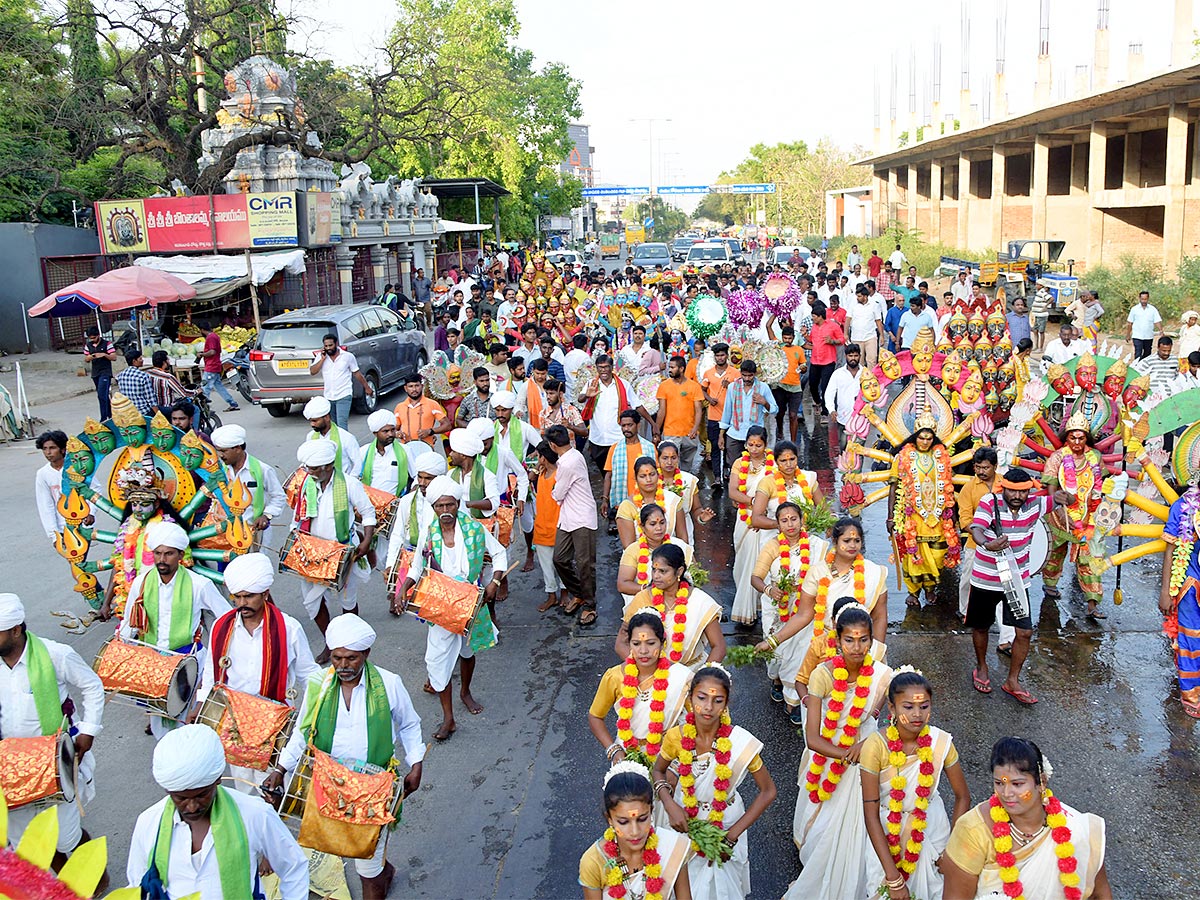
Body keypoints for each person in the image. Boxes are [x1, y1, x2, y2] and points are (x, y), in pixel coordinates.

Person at [264, 615, 424, 899]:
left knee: (367, 864)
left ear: (366, 654)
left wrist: (416, 763)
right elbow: (304, 732)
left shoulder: (389, 684)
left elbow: (409, 723)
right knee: (338, 844)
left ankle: (377, 876)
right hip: (329, 788)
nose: (343, 666)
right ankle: (384, 872)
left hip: (373, 789)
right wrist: (281, 768)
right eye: (337, 658)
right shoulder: (318, 685)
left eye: (351, 658)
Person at [785, 598, 894, 900]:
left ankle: (852, 869)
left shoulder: (881, 676)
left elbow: (889, 720)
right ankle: (820, 860)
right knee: (823, 820)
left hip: (866, 753)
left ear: (872, 641)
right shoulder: (823, 674)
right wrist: (850, 754)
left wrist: (868, 745)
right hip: (830, 753)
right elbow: (813, 739)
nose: (857, 647)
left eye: (863, 640)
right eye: (849, 640)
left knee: (861, 820)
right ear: (837, 640)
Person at [128, 724, 308, 897]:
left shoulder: (255, 814)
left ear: (218, 780)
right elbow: (137, 883)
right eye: (181, 798)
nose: (191, 807)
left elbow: (294, 867)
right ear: (168, 791)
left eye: (201, 795)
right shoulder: (149, 823)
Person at [192, 553, 320, 792]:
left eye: (248, 596)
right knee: (243, 790)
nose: (242, 604)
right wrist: (200, 705)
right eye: (237, 597)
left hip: (276, 726)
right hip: (235, 723)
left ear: (265, 593)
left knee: (271, 793)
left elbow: (308, 675)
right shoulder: (222, 626)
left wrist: (315, 715)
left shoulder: (288, 628)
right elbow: (212, 672)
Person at [0, 593, 106, 880]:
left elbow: (93, 687)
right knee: (27, 841)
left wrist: (88, 731)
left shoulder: (55, 654)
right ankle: (67, 886)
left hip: (58, 761)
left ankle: (96, 874)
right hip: (11, 770)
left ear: (15, 630)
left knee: (65, 838)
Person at [652, 665, 777, 899]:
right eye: (701, 698)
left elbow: (768, 791)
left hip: (727, 819)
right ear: (690, 698)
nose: (708, 707)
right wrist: (670, 805)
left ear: (726, 703)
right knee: (685, 885)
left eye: (717, 700)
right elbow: (658, 770)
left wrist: (732, 835)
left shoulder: (739, 741)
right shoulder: (676, 737)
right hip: (685, 820)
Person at [400, 477, 506, 741]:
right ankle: (448, 718)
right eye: (439, 506)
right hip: (440, 604)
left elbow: (500, 553)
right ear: (434, 507)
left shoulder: (474, 529)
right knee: (437, 661)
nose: (445, 511)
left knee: (467, 651)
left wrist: (494, 581)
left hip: (470, 601)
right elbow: (416, 566)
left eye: (450, 505)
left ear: (458, 504)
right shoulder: (429, 532)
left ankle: (465, 692)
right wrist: (403, 589)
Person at [942, 737, 1111, 899]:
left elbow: (1100, 893)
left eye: (1017, 784)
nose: (1006, 794)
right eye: (999, 783)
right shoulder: (973, 831)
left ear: (1041, 782)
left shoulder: (1077, 828)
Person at [757, 516, 889, 714]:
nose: (852, 545)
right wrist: (773, 641)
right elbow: (804, 615)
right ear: (835, 542)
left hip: (861, 646)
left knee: (858, 710)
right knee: (824, 705)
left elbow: (879, 617)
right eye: (846, 541)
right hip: (824, 644)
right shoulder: (818, 572)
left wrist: (875, 650)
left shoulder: (874, 573)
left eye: (857, 540)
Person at [861, 669, 971, 900]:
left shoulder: (941, 742)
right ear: (892, 708)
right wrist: (892, 876)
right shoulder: (876, 746)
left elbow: (963, 796)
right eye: (908, 707)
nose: (917, 715)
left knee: (936, 890)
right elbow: (870, 813)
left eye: (924, 706)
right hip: (885, 830)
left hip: (931, 827)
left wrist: (952, 851)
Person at [119, 522, 231, 737]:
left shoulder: (199, 584)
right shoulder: (141, 583)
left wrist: (221, 656)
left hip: (188, 662)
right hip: (153, 665)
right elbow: (128, 624)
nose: (162, 559)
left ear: (180, 554)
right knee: (159, 726)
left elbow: (227, 619)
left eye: (169, 554)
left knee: (187, 724)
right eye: (158, 553)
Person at [967, 466, 1065, 705]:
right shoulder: (989, 503)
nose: (1017, 497)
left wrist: (1067, 496)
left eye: (1022, 492)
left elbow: (1059, 500)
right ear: (1004, 489)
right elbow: (976, 528)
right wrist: (986, 545)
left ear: (1029, 491)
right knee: (981, 627)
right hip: (986, 578)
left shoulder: (1036, 504)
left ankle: (1013, 680)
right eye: (1012, 492)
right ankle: (981, 667)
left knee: (1025, 632)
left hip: (1017, 581)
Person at [289, 439, 376, 660]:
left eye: (314, 469)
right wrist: (295, 538)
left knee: (348, 600)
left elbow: (368, 513)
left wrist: (366, 541)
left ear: (328, 466)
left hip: (343, 552)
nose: (311, 473)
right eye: (309, 468)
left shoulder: (348, 484)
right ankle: (330, 643)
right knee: (312, 602)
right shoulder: (305, 484)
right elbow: (297, 517)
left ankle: (349, 642)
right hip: (312, 553)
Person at [751, 502, 829, 716]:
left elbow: (825, 574)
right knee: (777, 649)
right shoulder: (772, 546)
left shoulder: (816, 545)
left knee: (803, 650)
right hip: (777, 605)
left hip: (807, 603)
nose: (790, 524)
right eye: (784, 521)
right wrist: (769, 589)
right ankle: (776, 679)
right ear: (778, 524)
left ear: (802, 520)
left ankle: (794, 699)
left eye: (793, 519)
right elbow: (755, 578)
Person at [588, 612, 693, 762]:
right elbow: (595, 716)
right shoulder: (614, 676)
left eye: (651, 643)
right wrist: (613, 749)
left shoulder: (682, 677)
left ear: (663, 643)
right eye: (636, 644)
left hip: (669, 757)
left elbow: (697, 721)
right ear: (629, 643)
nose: (643, 651)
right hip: (626, 754)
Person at [579, 762, 693, 900]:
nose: (635, 831)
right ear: (609, 819)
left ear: (651, 811)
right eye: (623, 822)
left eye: (642, 819)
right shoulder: (594, 863)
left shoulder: (672, 848)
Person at [887, 416, 961, 608]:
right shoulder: (902, 458)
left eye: (929, 438)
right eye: (922, 438)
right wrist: (890, 517)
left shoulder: (941, 457)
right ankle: (913, 591)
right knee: (913, 554)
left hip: (938, 516)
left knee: (937, 555)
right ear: (915, 437)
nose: (925, 442)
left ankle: (930, 588)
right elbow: (894, 487)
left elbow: (948, 487)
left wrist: (952, 513)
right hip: (912, 516)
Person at [619, 544, 725, 671]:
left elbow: (719, 647)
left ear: (679, 571)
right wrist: (644, 667)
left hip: (691, 672)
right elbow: (621, 643)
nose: (656, 576)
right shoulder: (642, 598)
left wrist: (701, 678)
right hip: (650, 674)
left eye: (663, 571)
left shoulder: (700, 601)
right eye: (654, 570)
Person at [1041, 414, 1104, 618]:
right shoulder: (1057, 457)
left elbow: (1101, 486)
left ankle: (1092, 604)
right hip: (1060, 516)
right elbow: (1051, 487)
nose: (1077, 442)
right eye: (1072, 438)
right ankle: (1050, 585)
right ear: (1066, 438)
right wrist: (1058, 508)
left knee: (1090, 559)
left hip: (1088, 518)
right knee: (1054, 554)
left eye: (1081, 438)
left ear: (1087, 438)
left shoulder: (1095, 457)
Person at [546, 424, 599, 627]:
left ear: (552, 445)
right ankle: (579, 593)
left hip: (582, 518)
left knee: (585, 563)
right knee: (560, 559)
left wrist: (553, 487)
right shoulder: (571, 455)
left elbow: (558, 494)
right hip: (568, 517)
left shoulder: (568, 463)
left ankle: (590, 604)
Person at [211, 423, 286, 545]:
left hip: (254, 531)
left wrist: (266, 516)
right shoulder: (221, 471)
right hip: (227, 532)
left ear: (238, 448)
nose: (220, 455)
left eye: (224, 451)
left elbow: (279, 497)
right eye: (218, 451)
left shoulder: (262, 470)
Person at [357, 409, 413, 570]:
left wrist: (407, 500)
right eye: (385, 431)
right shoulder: (365, 452)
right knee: (377, 549)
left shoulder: (404, 451)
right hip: (370, 509)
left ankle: (393, 582)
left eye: (392, 430)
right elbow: (354, 479)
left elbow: (416, 477)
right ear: (375, 433)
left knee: (396, 548)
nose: (390, 434)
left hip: (395, 509)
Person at [489, 390, 540, 567]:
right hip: (498, 484)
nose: (501, 414)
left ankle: (530, 552)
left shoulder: (524, 429)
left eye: (504, 410)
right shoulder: (490, 430)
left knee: (526, 523)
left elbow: (543, 448)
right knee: (499, 527)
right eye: (498, 410)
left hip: (520, 483)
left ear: (511, 409)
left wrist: (534, 470)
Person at [582, 354, 653, 476]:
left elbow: (637, 405)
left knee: (619, 473)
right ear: (596, 368)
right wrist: (587, 395)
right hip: (597, 439)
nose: (603, 370)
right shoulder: (591, 384)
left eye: (606, 367)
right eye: (600, 367)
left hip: (617, 438)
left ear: (612, 367)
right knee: (604, 473)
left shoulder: (624, 385)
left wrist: (653, 423)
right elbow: (580, 398)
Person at [956, 447, 1001, 640]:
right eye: (977, 467)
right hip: (976, 543)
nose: (981, 471)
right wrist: (980, 534)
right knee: (968, 577)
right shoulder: (969, 488)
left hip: (1003, 543)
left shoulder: (1005, 484)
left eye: (985, 468)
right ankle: (965, 610)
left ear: (995, 466)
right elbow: (965, 518)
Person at [616, 503, 695, 609]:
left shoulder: (679, 545)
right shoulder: (633, 550)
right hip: (645, 604)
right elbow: (623, 584)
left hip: (679, 602)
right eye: (653, 524)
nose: (659, 528)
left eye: (662, 523)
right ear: (642, 527)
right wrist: (650, 590)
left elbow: (696, 575)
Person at [35, 429, 94, 541]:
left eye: (52, 448)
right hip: (62, 528)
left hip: (83, 523)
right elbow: (45, 505)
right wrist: (54, 535)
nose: (48, 452)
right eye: (45, 449)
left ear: (62, 450)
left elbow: (94, 488)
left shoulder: (77, 466)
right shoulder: (42, 474)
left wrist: (91, 513)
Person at [529, 442, 567, 612]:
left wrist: (541, 462)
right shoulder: (542, 473)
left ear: (544, 457)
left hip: (559, 526)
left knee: (563, 563)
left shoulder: (560, 474)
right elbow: (530, 477)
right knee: (546, 566)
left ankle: (565, 593)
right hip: (542, 527)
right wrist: (539, 464)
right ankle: (551, 595)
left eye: (539, 456)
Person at [616, 457, 687, 547]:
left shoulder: (673, 500)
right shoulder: (627, 507)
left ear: (658, 474)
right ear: (635, 478)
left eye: (652, 474)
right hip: (640, 558)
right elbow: (629, 547)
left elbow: (683, 539)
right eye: (643, 476)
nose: (648, 480)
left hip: (671, 556)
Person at [720, 361, 778, 464]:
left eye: (750, 376)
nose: (747, 379)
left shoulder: (763, 387)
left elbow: (774, 409)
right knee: (734, 467)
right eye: (744, 375)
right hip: (735, 434)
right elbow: (727, 411)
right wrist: (721, 435)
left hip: (756, 436)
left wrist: (764, 402)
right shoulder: (732, 387)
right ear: (740, 373)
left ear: (755, 374)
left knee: (756, 466)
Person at [657, 439, 713, 544]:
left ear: (678, 458)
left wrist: (701, 517)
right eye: (665, 458)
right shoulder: (652, 480)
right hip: (658, 530)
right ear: (658, 459)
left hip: (684, 531)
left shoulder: (688, 480)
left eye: (673, 458)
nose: (669, 462)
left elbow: (696, 508)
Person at [655, 355, 703, 474]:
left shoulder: (694, 386)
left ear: (681, 369)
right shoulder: (664, 386)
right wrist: (656, 429)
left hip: (689, 433)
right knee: (670, 465)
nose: (669, 370)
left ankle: (684, 488)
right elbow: (661, 411)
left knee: (687, 466)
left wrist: (695, 428)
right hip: (670, 432)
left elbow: (698, 410)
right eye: (669, 367)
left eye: (672, 367)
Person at [700, 343, 736, 482]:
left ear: (727, 355)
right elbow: (703, 389)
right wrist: (709, 399)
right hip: (714, 416)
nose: (720, 358)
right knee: (714, 446)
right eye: (717, 355)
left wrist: (730, 386)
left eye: (722, 355)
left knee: (729, 446)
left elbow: (739, 391)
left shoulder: (735, 373)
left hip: (731, 417)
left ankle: (727, 469)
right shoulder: (708, 373)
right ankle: (716, 476)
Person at [303, 396, 361, 476]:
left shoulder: (346, 437)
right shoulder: (310, 437)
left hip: (342, 483)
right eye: (311, 421)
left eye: (315, 421)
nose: (312, 424)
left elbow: (358, 463)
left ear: (326, 417)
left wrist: (351, 481)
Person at [807, 301, 845, 421]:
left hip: (828, 361)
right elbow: (812, 340)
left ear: (820, 317)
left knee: (825, 387)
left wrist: (832, 341)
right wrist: (805, 336)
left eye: (814, 316)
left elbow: (842, 339)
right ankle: (818, 402)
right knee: (812, 385)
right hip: (815, 360)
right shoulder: (814, 327)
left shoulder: (833, 326)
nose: (812, 318)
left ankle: (824, 412)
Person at [393, 373, 450, 447]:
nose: (414, 389)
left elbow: (447, 425)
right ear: (405, 388)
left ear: (422, 386)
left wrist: (431, 431)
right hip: (406, 449)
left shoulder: (432, 404)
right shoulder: (399, 407)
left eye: (417, 385)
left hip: (426, 449)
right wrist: (397, 434)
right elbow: (392, 430)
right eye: (410, 386)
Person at [196, 321, 240, 412]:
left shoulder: (210, 337)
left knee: (205, 387)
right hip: (215, 365)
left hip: (211, 366)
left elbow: (212, 352)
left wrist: (202, 354)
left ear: (202, 330)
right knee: (219, 387)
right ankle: (232, 403)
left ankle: (205, 408)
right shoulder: (214, 336)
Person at [824, 343, 863, 430]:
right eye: (850, 355)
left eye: (856, 355)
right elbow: (829, 393)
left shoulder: (866, 374)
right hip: (843, 418)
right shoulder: (838, 374)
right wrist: (831, 410)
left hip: (862, 419)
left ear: (860, 356)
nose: (853, 358)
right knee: (843, 443)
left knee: (859, 444)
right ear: (846, 356)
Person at [83, 325, 116, 420]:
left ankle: (103, 417)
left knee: (102, 395)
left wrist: (104, 355)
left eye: (94, 337)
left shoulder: (107, 344)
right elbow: (86, 359)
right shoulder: (88, 346)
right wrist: (92, 356)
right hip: (95, 373)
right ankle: (110, 415)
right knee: (103, 395)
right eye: (91, 338)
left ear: (98, 335)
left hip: (105, 372)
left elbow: (114, 357)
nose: (93, 340)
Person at [116, 348, 158, 418]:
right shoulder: (143, 376)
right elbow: (151, 400)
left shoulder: (120, 375)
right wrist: (158, 415)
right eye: (140, 359)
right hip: (143, 412)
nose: (142, 360)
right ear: (134, 361)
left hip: (128, 411)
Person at [848, 284, 884, 366]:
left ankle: (871, 378)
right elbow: (848, 319)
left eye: (859, 296)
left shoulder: (874, 305)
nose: (857, 298)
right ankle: (859, 378)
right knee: (859, 362)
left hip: (870, 337)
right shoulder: (853, 305)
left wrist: (881, 336)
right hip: (856, 337)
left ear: (865, 296)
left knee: (872, 360)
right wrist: (846, 334)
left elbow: (878, 321)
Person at [1126, 289, 1162, 360]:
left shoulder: (1153, 309)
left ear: (1148, 298)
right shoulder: (1134, 309)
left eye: (1145, 299)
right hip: (1137, 336)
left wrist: (1161, 330)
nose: (1144, 301)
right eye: (1142, 299)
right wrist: (1128, 334)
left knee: (1147, 354)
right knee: (1138, 353)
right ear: (1139, 298)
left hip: (1148, 336)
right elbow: (1130, 323)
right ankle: (1136, 368)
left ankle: (1144, 368)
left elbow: (1157, 321)